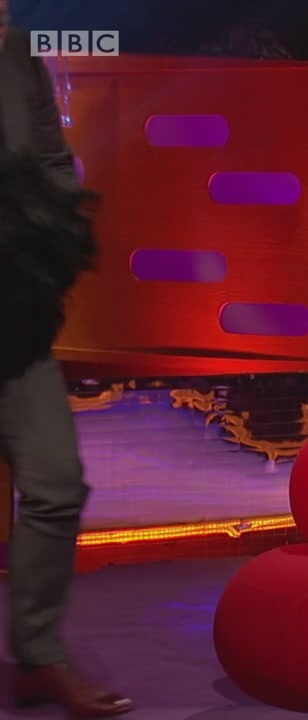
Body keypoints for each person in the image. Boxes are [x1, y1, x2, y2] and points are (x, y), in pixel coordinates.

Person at [0, 9, 135, 717]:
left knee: (54, 483)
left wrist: (55, 238)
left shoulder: (16, 52)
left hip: (15, 323)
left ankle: (38, 656)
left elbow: (51, 158)